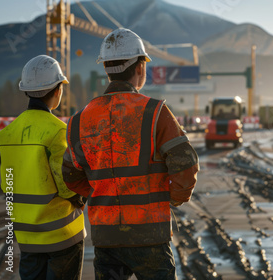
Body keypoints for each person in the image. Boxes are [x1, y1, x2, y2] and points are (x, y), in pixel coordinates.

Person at [62, 28, 199, 280]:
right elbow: (185, 166)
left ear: (106, 69)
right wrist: (174, 198)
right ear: (140, 68)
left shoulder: (79, 120)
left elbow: (70, 176)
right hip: (150, 235)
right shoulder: (156, 112)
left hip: (105, 236)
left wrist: (99, 194)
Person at [0, 55, 86, 280]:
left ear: (26, 91)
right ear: (58, 90)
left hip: (27, 237)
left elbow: (7, 184)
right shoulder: (57, 130)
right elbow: (67, 185)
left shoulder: (6, 134)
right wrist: (82, 195)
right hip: (62, 236)